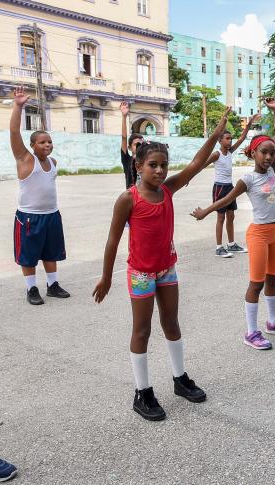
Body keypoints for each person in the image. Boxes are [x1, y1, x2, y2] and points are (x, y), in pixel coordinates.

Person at [92, 109, 234, 421]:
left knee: (171, 324)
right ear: (138, 166)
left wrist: (214, 135)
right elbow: (113, 241)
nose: (159, 171)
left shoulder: (168, 190)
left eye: (163, 166)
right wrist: (106, 278)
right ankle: (142, 392)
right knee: (141, 330)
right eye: (152, 165)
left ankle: (180, 379)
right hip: (141, 273)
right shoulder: (127, 199)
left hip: (166, 269)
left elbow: (196, 165)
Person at [191, 99, 275, 351]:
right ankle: (251, 332)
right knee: (256, 284)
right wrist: (206, 211)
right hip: (259, 235)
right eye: (264, 152)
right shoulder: (248, 179)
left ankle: (273, 322)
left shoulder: (272, 171)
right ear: (252, 153)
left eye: (272, 154)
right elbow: (226, 199)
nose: (269, 156)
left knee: (273, 281)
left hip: (274, 234)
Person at [10, 86, 70, 306]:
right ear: (32, 145)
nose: (47, 144)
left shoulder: (53, 163)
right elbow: (15, 134)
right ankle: (31, 288)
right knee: (29, 255)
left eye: (49, 141)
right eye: (42, 142)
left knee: (51, 252)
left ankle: (52, 285)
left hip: (51, 215)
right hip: (29, 217)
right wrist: (18, 106)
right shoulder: (26, 160)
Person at [203, 113, 260, 258]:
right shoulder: (217, 154)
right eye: (227, 139)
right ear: (220, 141)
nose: (230, 141)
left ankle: (231, 244)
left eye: (230, 139)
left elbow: (241, 138)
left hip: (230, 187)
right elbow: (202, 164)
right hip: (220, 187)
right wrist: (188, 177)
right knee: (220, 218)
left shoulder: (230, 152)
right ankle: (219, 247)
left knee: (231, 216)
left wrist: (248, 124)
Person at [120, 101, 143, 189]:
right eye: (136, 144)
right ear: (129, 147)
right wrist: (124, 116)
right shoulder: (127, 160)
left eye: (141, 144)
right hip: (132, 198)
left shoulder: (146, 161)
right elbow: (124, 138)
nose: (139, 146)